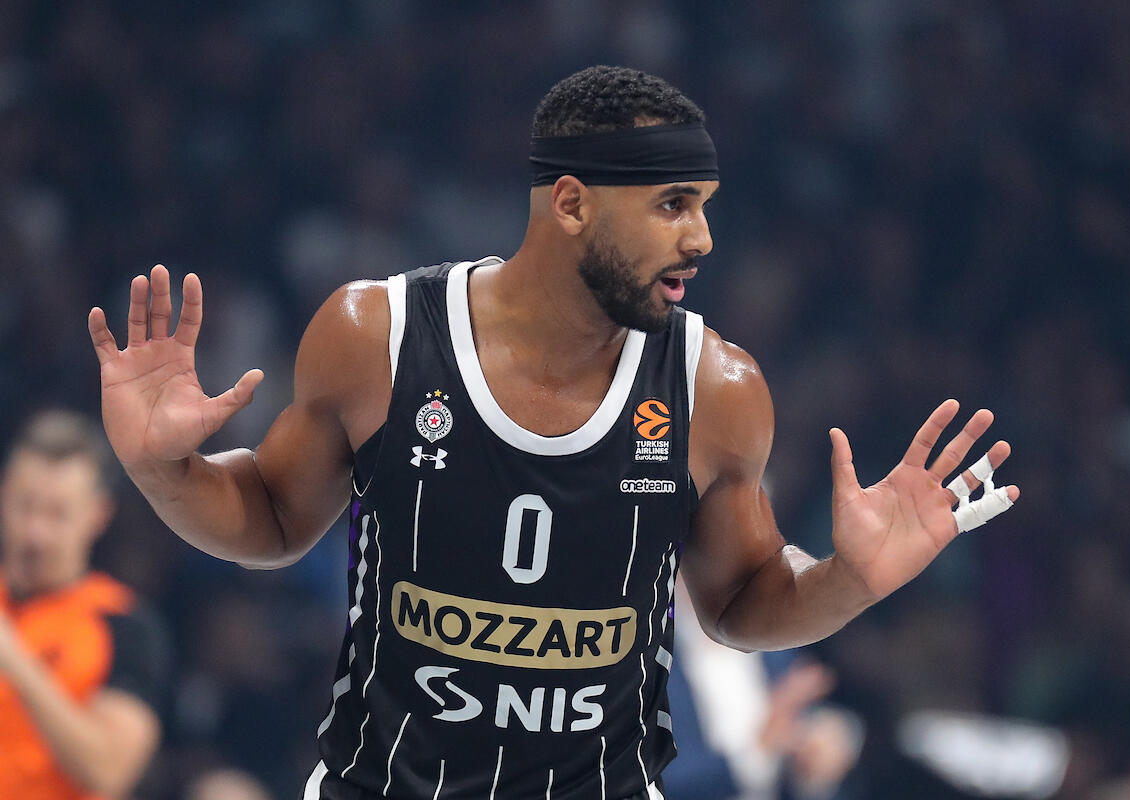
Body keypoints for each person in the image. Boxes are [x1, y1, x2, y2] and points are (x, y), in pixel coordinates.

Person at [86, 65, 1018, 799]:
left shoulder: (718, 388)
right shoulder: (379, 335)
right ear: (571, 204)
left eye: (704, 204)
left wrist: (850, 579)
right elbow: (273, 520)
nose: (701, 238)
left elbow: (740, 604)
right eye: (672, 204)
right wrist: (164, 468)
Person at [0, 410, 169, 799]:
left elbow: (108, 771)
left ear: (97, 514)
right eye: (25, 506)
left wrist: (15, 661)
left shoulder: (124, 625)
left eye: (57, 514)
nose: (35, 533)